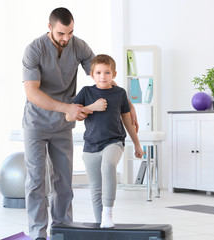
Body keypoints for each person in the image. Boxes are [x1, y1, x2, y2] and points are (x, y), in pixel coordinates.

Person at [22, 8, 138, 240]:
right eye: (61, 33)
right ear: (49, 27)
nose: (66, 38)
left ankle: (62, 229)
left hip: (63, 125)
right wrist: (67, 107)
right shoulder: (33, 50)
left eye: (70, 32)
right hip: (37, 122)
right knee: (36, 180)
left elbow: (101, 77)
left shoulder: (79, 46)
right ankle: (38, 233)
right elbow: (31, 93)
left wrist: (128, 104)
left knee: (63, 181)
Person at [66, 54, 143, 228]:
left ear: (114, 74)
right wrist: (91, 107)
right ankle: (100, 223)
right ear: (92, 74)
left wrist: (137, 144)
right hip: (90, 146)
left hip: (114, 142)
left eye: (107, 72)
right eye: (99, 72)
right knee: (95, 188)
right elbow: (69, 115)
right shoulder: (86, 92)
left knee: (108, 165)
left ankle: (108, 214)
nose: (103, 76)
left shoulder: (120, 93)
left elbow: (127, 121)